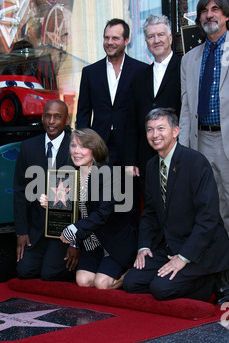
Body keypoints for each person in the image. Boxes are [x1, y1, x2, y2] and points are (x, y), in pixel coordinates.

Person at [123, 108, 229, 302]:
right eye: (150, 130)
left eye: (161, 128)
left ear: (175, 131)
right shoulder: (152, 165)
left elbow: (208, 218)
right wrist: (144, 246)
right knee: (132, 283)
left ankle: (211, 279)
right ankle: (183, 278)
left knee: (160, 289)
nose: (155, 135)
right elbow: (150, 212)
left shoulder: (196, 162)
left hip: (201, 248)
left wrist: (183, 258)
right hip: (171, 245)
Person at [41, 129, 138, 289]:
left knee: (101, 284)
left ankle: (130, 272)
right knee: (83, 281)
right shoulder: (69, 176)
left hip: (114, 243)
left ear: (94, 149)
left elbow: (102, 214)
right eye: (73, 146)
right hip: (92, 245)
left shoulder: (109, 174)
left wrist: (74, 229)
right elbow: (67, 211)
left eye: (83, 146)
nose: (77, 151)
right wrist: (50, 205)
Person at [180, 0, 229, 302]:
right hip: (200, 143)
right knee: (212, 212)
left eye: (215, 9)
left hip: (227, 140)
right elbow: (186, 108)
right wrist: (184, 152)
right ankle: (222, 279)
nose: (209, 15)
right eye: (204, 11)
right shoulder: (190, 58)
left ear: (226, 15)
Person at [14, 99, 79, 281]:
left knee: (49, 274)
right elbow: (20, 190)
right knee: (25, 271)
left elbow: (83, 199)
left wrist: (76, 241)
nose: (51, 121)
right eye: (47, 116)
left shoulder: (77, 148)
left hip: (64, 231)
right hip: (36, 228)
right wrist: (21, 231)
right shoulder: (28, 147)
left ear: (66, 121)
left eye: (57, 117)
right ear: (42, 118)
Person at [76, 18, 147, 166]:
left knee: (128, 189)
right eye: (106, 38)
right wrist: (83, 146)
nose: (109, 42)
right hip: (98, 147)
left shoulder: (141, 71)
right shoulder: (90, 72)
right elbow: (83, 113)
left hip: (130, 149)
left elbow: (143, 112)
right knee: (99, 189)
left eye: (115, 38)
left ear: (126, 40)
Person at [125, 15, 181, 194]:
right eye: (151, 36)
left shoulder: (184, 67)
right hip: (146, 159)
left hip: (177, 154)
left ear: (170, 38)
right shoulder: (140, 76)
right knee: (151, 208)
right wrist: (131, 159)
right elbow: (132, 121)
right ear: (146, 41)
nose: (156, 40)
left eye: (161, 35)